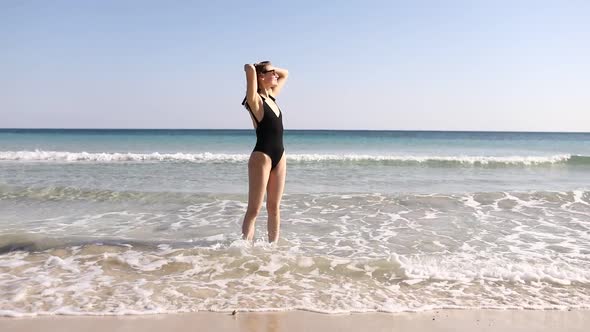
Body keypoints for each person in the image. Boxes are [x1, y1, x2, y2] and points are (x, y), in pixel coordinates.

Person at [241, 61, 289, 243]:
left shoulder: (272, 97)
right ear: (261, 77)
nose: (276, 75)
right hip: (262, 156)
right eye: (271, 73)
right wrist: (253, 69)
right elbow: (249, 70)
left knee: (274, 207)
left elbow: (286, 73)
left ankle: (272, 249)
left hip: (280, 155)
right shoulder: (255, 101)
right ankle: (244, 249)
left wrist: (269, 68)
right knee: (254, 209)